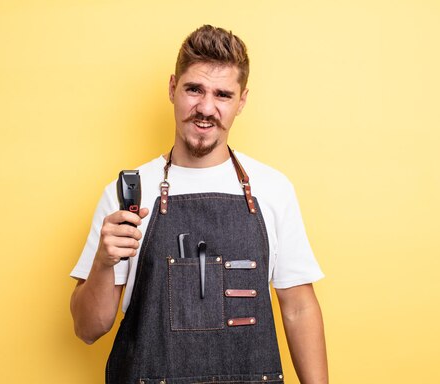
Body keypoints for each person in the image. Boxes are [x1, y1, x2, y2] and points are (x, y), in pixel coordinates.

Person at [70, 25, 328, 384]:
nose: (206, 108)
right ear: (173, 88)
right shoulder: (129, 194)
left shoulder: (273, 189)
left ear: (241, 101)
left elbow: (299, 308)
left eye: (223, 94)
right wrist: (103, 261)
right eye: (194, 89)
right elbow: (87, 328)